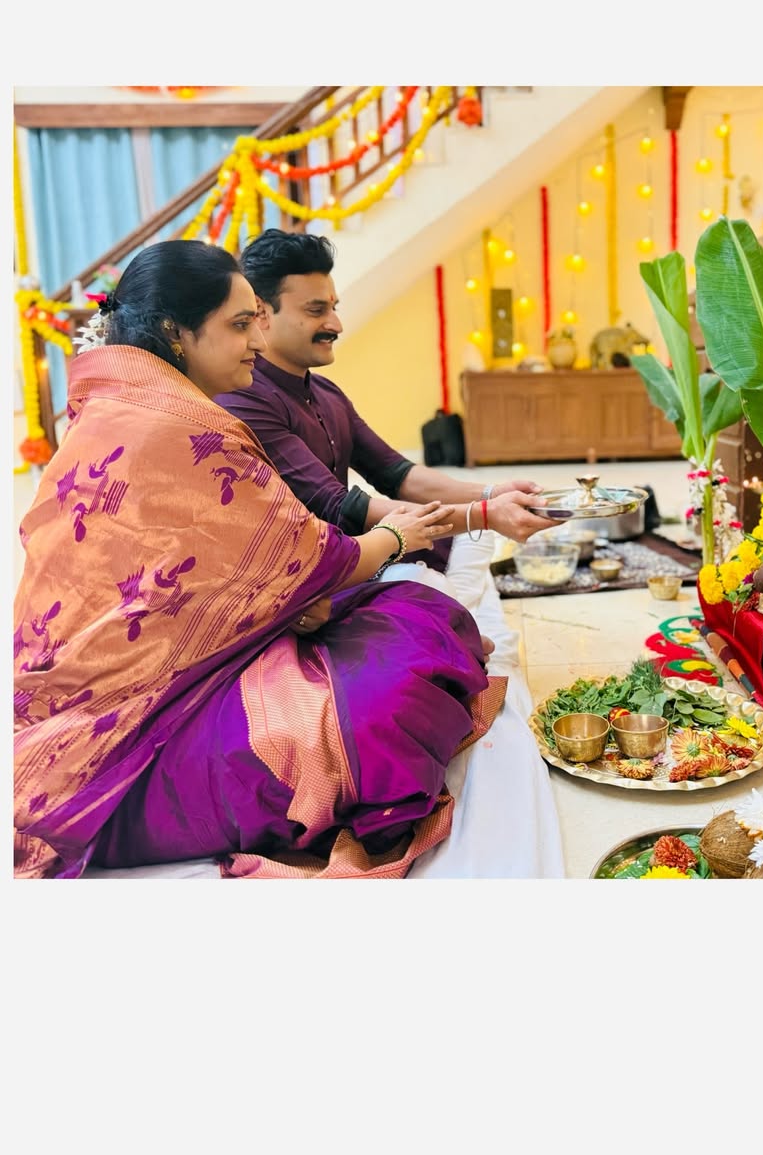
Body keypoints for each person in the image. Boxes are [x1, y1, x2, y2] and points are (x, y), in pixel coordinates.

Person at [13, 240, 508, 880]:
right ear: (175, 332)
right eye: (242, 323)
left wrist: (483, 504)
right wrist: (397, 541)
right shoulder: (189, 423)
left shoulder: (153, 406)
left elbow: (354, 498)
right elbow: (317, 542)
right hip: (132, 705)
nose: (258, 337)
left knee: (418, 612)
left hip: (210, 640)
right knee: (390, 705)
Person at [216, 228, 562, 578]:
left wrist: (491, 493)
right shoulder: (245, 399)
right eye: (316, 309)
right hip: (309, 580)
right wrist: (484, 514)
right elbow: (337, 506)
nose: (335, 324)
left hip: (358, 553)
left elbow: (397, 473)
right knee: (435, 568)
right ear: (260, 312)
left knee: (468, 542)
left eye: (333, 308)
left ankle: (474, 630)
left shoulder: (326, 392)